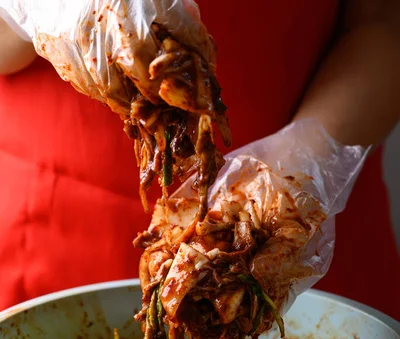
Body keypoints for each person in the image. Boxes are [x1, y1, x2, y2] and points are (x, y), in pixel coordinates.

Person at [0, 0, 399, 319]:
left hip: (306, 201)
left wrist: (312, 153)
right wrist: (41, 9)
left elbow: (383, 20)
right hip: (53, 224)